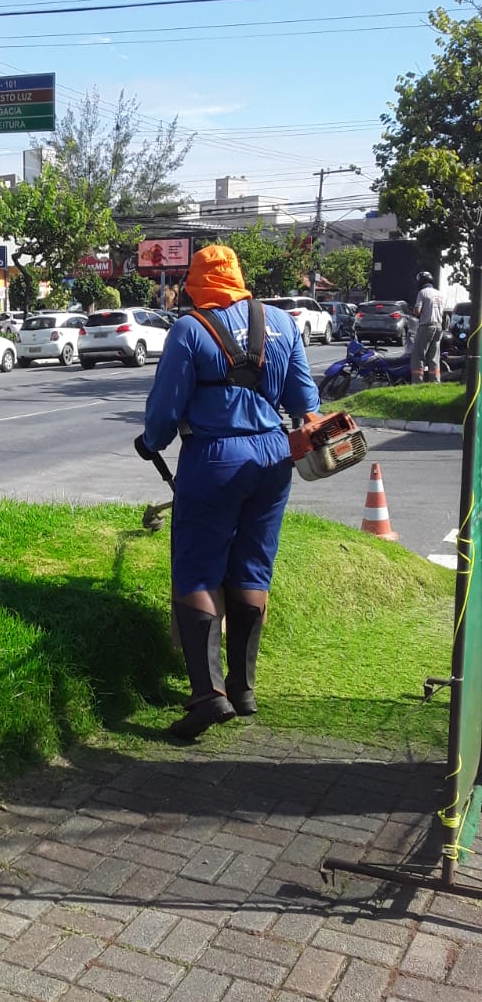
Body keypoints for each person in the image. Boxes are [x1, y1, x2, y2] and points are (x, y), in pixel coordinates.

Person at [136, 244, 321, 740]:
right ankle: (242, 688)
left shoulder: (190, 330)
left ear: (197, 283)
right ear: (238, 278)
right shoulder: (281, 323)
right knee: (252, 567)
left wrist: (150, 442)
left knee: (197, 568)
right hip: (273, 457)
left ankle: (206, 697)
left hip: (215, 458)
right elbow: (306, 401)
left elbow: (164, 412)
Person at [411, 271, 444, 384]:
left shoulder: (422, 293)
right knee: (434, 356)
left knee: (418, 355)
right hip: (439, 326)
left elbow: (417, 311)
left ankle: (417, 382)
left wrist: (413, 310)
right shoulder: (439, 294)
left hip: (426, 325)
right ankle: (435, 382)